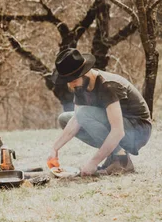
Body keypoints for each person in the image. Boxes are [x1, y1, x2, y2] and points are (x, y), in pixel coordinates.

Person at [48, 48, 152, 176]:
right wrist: (55, 148)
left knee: (83, 113)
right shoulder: (81, 85)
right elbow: (76, 120)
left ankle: (122, 160)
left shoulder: (108, 85)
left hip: (138, 130)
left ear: (84, 73)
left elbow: (118, 131)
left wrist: (93, 162)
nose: (71, 85)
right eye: (69, 82)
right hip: (118, 126)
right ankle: (115, 155)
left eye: (73, 80)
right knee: (65, 118)